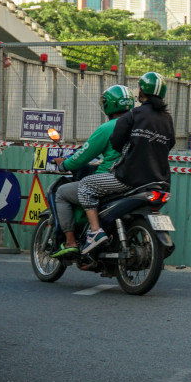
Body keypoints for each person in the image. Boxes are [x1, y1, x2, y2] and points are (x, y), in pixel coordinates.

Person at [77, 72, 175, 254]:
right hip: (160, 181)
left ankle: (95, 232)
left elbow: (116, 141)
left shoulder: (135, 114)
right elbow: (170, 144)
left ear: (141, 92)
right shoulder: (167, 119)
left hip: (129, 178)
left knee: (85, 186)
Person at [49, 85, 134, 258]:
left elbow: (81, 157)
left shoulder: (107, 128)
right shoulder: (139, 126)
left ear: (108, 105)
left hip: (110, 179)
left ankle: (71, 242)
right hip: (136, 179)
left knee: (62, 193)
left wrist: (63, 165)